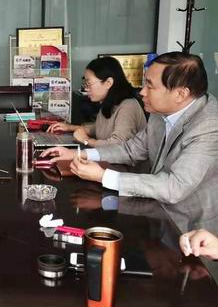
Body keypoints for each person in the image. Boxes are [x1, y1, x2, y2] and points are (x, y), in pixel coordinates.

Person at [42, 52, 218, 211]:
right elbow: (131, 149)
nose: (142, 92)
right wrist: (80, 154)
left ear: (180, 94)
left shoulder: (208, 127)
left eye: (150, 86)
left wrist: (103, 176)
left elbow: (174, 187)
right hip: (154, 207)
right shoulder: (160, 111)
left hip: (188, 224)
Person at [47, 56, 146, 146]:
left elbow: (118, 146)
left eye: (89, 83)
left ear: (108, 83)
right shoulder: (108, 103)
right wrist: (69, 128)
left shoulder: (128, 106)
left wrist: (86, 140)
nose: (86, 89)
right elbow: (98, 129)